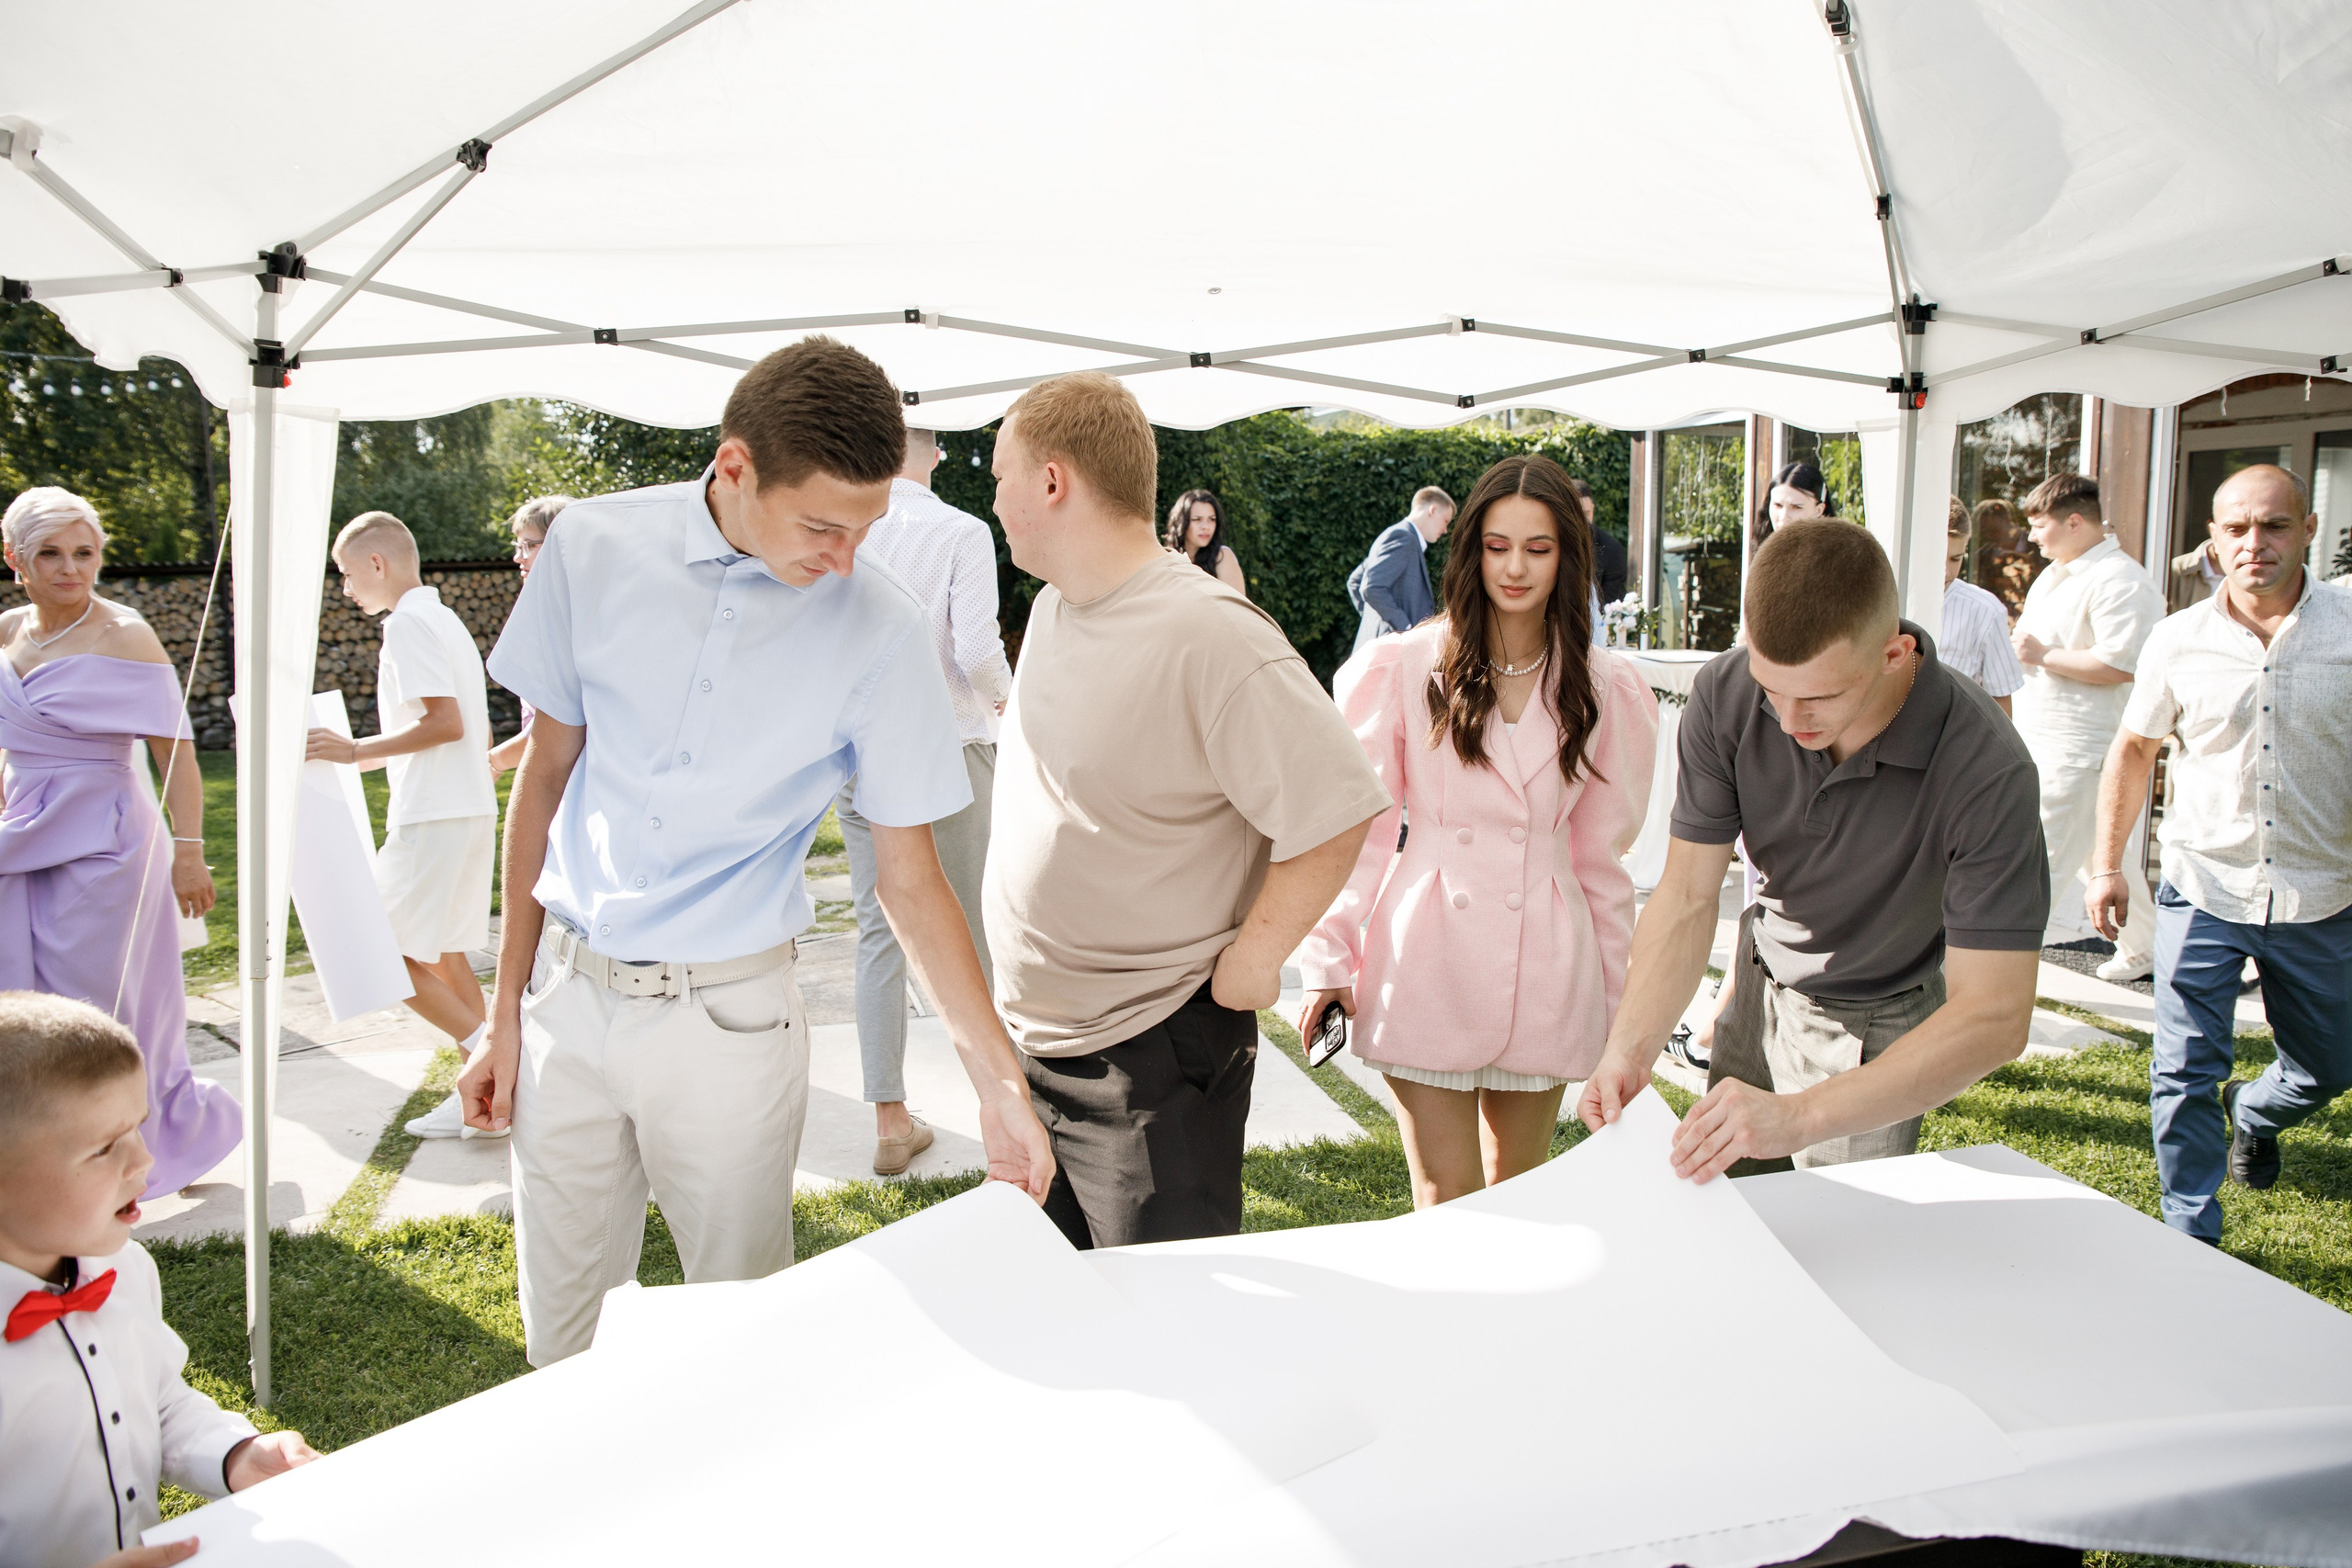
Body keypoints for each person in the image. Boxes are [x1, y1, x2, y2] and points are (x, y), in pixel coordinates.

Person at [461, 337, 1052, 1366]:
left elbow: (912, 880)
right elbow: (545, 777)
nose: (845, 558)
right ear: (734, 467)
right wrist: (502, 1012)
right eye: (823, 526)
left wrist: (997, 1080)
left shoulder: (883, 626)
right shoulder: (590, 546)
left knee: (737, 1352)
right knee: (559, 1354)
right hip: (567, 1001)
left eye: (865, 529)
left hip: (730, 1025)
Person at [984, 371, 1389, 1248]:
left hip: (1151, 1061)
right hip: (1040, 1052)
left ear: (1052, 481)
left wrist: (1256, 960)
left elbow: (1338, 809)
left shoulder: (1214, 631)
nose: (994, 499)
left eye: (1000, 475)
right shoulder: (1053, 608)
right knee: (1066, 1306)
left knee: (1168, 1315)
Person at [1579, 520, 2048, 1179]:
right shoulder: (1727, 691)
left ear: (1895, 654)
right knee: (1728, 1211)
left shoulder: (1987, 768)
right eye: (1771, 688)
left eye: (1820, 696)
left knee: (1833, 1233)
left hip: (1880, 1016)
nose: (1788, 719)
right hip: (1758, 984)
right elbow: (1686, 895)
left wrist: (1799, 1115)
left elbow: (1995, 1013)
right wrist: (1630, 1047)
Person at [1296, 456, 1657, 1207]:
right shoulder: (1405, 666)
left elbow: (1602, 861)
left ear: (1567, 555)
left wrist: (1620, 1012)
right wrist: (1328, 957)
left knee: (1518, 1197)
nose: (1515, 568)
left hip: (1548, 962)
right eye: (1497, 546)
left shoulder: (1605, 685)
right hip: (1426, 954)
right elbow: (1360, 833)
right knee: (1445, 1197)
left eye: (1538, 547)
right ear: (1471, 550)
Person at [2086, 464, 2352, 1244]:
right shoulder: (2178, 638)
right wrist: (2107, 864)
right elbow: (2133, 750)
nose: (2254, 543)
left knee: (2331, 1065)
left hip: (2323, 891)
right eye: (2236, 528)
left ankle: (2256, 1109)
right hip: (2203, 884)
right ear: (2213, 539)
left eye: (2274, 525)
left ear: (2308, 529)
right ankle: (2190, 1235)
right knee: (2182, 1070)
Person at [0, 991, 317, 1568]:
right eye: (104, 1148)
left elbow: (159, 1400)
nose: (144, 1162)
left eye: (138, 1128)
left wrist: (234, 1455)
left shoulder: (125, 1269)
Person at [0, 488, 238, 1200]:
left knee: (105, 1009)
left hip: (108, 844)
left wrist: (189, 850)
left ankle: (150, 1147)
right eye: (50, 553)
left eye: (85, 552)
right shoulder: (6, 631)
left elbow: (177, 752)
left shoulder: (127, 634)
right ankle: (55, 1161)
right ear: (14, 559)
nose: (71, 568)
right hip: (18, 841)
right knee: (24, 1005)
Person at [834, 427, 1014, 1175]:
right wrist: (1011, 704)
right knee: (977, 925)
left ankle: (889, 1118)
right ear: (936, 454)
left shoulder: (847, 527)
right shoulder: (961, 531)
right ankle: (1007, 1106)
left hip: (861, 751)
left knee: (879, 929)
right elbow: (975, 650)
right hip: (952, 741)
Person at [304, 513, 503, 1139]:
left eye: (346, 574)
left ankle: (495, 1062)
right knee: (441, 951)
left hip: (434, 813)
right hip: (464, 806)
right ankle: (493, 1097)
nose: (345, 589)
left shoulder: (408, 624)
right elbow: (472, 728)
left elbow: (446, 723)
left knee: (378, 948)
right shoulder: (444, 619)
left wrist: (353, 750)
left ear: (377, 563)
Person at [2009, 474, 2165, 982]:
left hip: (2081, 750)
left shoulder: (2122, 581)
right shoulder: (2057, 573)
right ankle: (2146, 949)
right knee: (2101, 856)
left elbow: (2123, 664)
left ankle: (2002, 985)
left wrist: (2042, 655)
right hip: (2046, 741)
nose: (2032, 536)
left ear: (2075, 522)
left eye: (2040, 526)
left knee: (2039, 870)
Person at [487, 494, 574, 779]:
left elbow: (561, 723)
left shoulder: (565, 618)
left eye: (528, 545)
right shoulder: (550, 609)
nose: (518, 557)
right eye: (518, 546)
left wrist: (494, 761)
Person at [1939, 495, 2024, 714]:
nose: (1946, 572)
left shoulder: (1985, 610)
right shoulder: (1877, 596)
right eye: (1937, 557)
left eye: (1956, 558)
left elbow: (2000, 699)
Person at [1347, 486, 1454, 654]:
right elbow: (1371, 587)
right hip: (1388, 652)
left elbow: (1355, 581)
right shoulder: (1403, 538)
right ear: (1432, 510)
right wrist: (1405, 627)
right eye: (1446, 521)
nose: (1446, 530)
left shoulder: (1398, 535)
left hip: (1383, 649)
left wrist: (1375, 617)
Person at [1164, 488, 1249, 596]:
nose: (1206, 527)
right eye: (1197, 519)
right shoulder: (1167, 559)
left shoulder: (1222, 556)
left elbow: (1236, 605)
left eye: (1212, 519)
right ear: (1181, 522)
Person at [1566, 475, 1629, 611]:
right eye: (1576, 514)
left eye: (1586, 514)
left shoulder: (1612, 550)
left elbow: (1611, 606)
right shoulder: (1550, 544)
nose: (1582, 521)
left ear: (1593, 509)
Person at [1972, 498, 2036, 620]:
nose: (1988, 536)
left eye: (1992, 530)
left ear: (2005, 518)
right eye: (1983, 532)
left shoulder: (2038, 546)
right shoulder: (1982, 556)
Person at [1748, 460, 1832, 552]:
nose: (1784, 517)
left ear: (1818, 511)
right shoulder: (1761, 550)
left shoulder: (1834, 556)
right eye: (1778, 505)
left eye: (1796, 507)